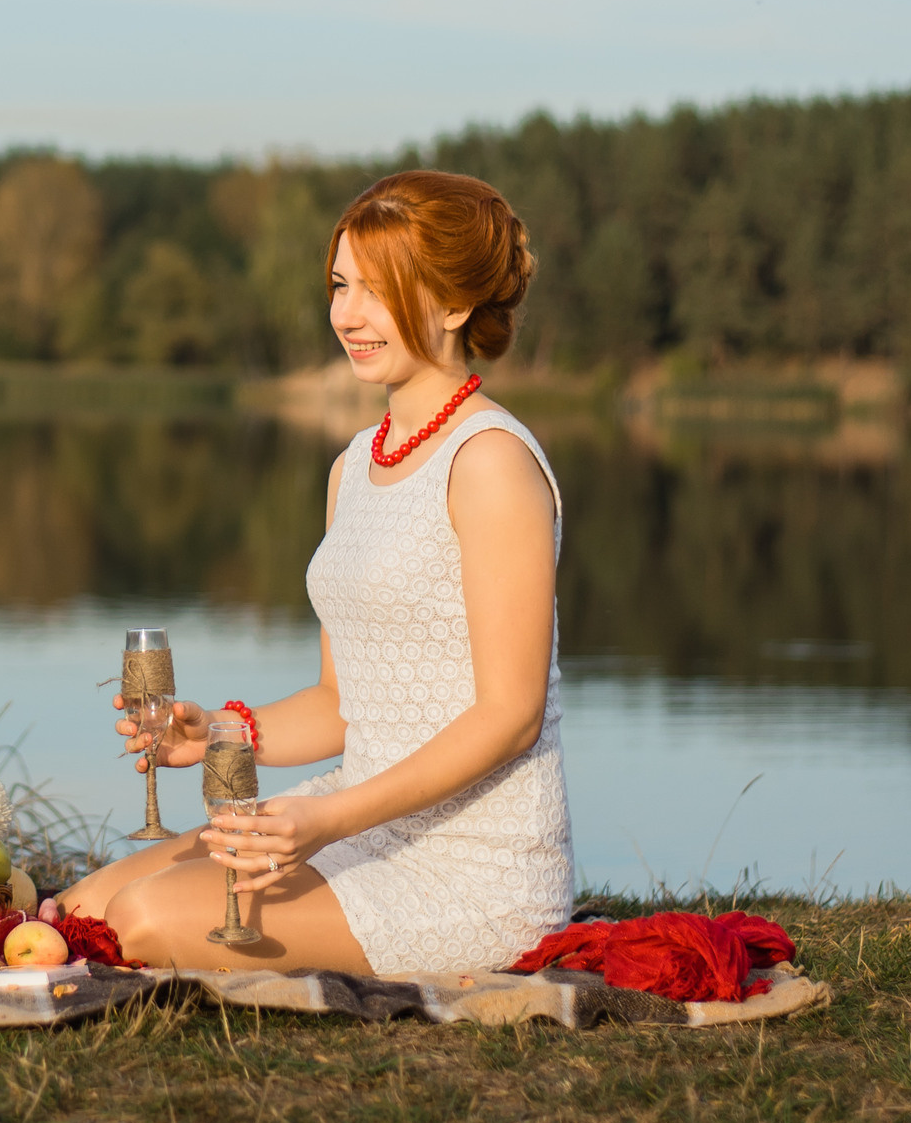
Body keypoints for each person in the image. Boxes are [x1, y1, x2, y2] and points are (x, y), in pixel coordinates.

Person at [59, 170, 572, 973]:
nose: (347, 315)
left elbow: (511, 715)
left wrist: (328, 817)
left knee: (142, 919)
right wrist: (224, 732)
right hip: (350, 817)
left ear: (453, 303)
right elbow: (341, 705)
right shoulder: (352, 468)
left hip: (470, 870)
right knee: (77, 910)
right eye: (340, 285)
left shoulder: (492, 462)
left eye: (378, 289)